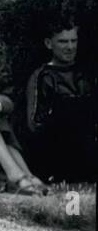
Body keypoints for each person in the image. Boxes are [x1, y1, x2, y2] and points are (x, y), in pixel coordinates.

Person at [17, 18, 94, 184]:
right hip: (56, 152)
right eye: (63, 42)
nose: (70, 47)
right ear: (49, 44)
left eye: (74, 41)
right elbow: (34, 124)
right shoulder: (42, 77)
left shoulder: (86, 74)